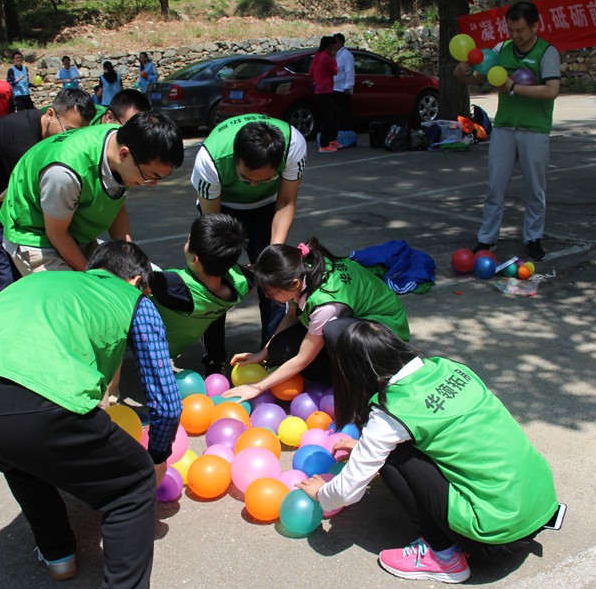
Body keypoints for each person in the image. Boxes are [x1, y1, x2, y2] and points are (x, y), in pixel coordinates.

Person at [0, 240, 187, 589]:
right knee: (132, 482)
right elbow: (167, 404)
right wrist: (155, 457)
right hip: (33, 406)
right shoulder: (133, 298)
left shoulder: (39, 284)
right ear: (138, 280)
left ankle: (58, 556)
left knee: (19, 457)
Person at [296, 320, 559, 584]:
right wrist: (365, 448)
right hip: (538, 505)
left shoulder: (393, 408)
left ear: (352, 372)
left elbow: (346, 492)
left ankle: (443, 557)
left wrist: (321, 494)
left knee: (393, 457)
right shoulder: (447, 368)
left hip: (494, 534)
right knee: (398, 446)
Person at [0, 89, 95, 302]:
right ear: (50, 114)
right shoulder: (20, 143)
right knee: (0, 280)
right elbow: (38, 204)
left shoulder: (48, 133)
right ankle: (3, 326)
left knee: (18, 268)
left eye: (77, 134)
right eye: (67, 130)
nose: (69, 138)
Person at [0, 111, 184, 276]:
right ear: (124, 154)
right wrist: (92, 278)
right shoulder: (65, 173)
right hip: (37, 233)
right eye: (151, 176)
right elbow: (57, 235)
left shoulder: (124, 143)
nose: (152, 184)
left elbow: (116, 202)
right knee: (78, 298)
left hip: (72, 227)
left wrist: (130, 256)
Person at [190, 114, 307, 374]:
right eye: (246, 178)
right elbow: (213, 224)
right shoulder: (210, 160)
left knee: (275, 282)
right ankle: (214, 357)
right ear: (235, 160)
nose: (254, 185)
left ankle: (272, 353)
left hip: (268, 207)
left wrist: (270, 258)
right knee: (214, 280)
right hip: (223, 210)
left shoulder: (293, 145)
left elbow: (286, 201)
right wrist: (227, 270)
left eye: (264, 179)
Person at [223, 238, 409, 399]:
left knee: (325, 339)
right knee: (279, 350)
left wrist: (257, 386)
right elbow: (292, 314)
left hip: (385, 340)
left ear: (294, 284)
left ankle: (363, 384)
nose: (269, 297)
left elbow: (303, 359)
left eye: (272, 293)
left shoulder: (324, 306)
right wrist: (263, 353)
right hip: (360, 323)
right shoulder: (305, 267)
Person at [453, 1, 561, 262]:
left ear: (535, 25)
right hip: (504, 127)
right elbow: (479, 77)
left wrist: (514, 88)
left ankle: (533, 238)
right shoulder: (502, 49)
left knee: (535, 189)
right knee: (494, 187)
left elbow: (551, 90)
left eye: (520, 30)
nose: (515, 35)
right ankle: (487, 239)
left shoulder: (547, 53)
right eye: (511, 30)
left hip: (534, 130)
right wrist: (461, 72)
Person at [150, 213, 252, 361]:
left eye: (188, 240)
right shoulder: (241, 282)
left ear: (195, 259)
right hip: (195, 326)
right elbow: (254, 278)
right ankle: (215, 362)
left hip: (158, 348)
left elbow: (135, 275)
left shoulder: (174, 286)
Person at [311, 35, 339, 154]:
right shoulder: (326, 57)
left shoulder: (317, 57)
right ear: (330, 46)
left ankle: (331, 140)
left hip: (319, 90)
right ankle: (324, 144)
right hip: (326, 90)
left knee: (331, 114)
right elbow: (335, 71)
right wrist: (333, 58)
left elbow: (311, 72)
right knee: (330, 117)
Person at [332, 33, 355, 138]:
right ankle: (338, 133)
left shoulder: (346, 55)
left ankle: (346, 133)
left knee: (344, 112)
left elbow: (349, 71)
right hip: (334, 87)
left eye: (335, 42)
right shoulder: (335, 54)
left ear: (340, 42)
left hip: (342, 88)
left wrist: (348, 86)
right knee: (336, 113)